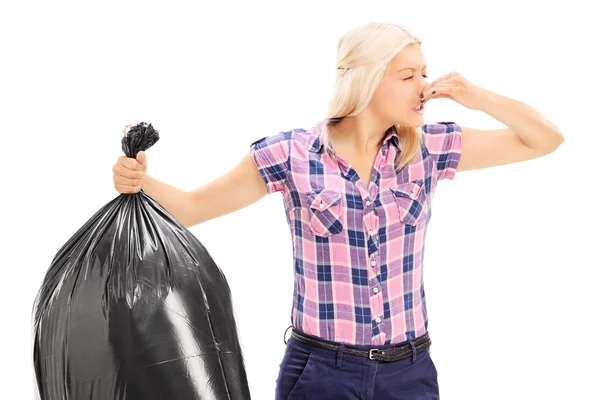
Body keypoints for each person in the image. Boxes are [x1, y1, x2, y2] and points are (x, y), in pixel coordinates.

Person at [112, 22, 564, 400]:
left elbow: (545, 139)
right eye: (408, 76)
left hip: (409, 373)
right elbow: (191, 208)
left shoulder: (429, 148)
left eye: (424, 74)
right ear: (365, 79)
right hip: (320, 374)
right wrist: (140, 181)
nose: (425, 88)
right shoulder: (290, 154)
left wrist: (475, 95)